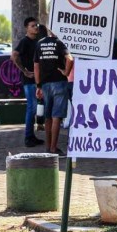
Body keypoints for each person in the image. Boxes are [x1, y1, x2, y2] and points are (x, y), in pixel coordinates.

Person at [34, 25, 73, 156]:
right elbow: (70, 58)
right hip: (59, 83)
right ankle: (53, 148)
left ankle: (47, 146)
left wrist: (38, 85)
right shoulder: (60, 43)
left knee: (48, 116)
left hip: (45, 84)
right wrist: (66, 72)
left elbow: (36, 66)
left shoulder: (40, 44)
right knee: (57, 117)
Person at [11, 17, 45, 148]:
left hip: (38, 79)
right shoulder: (25, 41)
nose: (35, 27)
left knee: (38, 107)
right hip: (29, 80)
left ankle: (32, 135)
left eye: (36, 25)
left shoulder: (38, 41)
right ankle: (28, 137)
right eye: (32, 26)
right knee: (31, 108)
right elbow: (14, 55)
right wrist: (24, 70)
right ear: (27, 28)